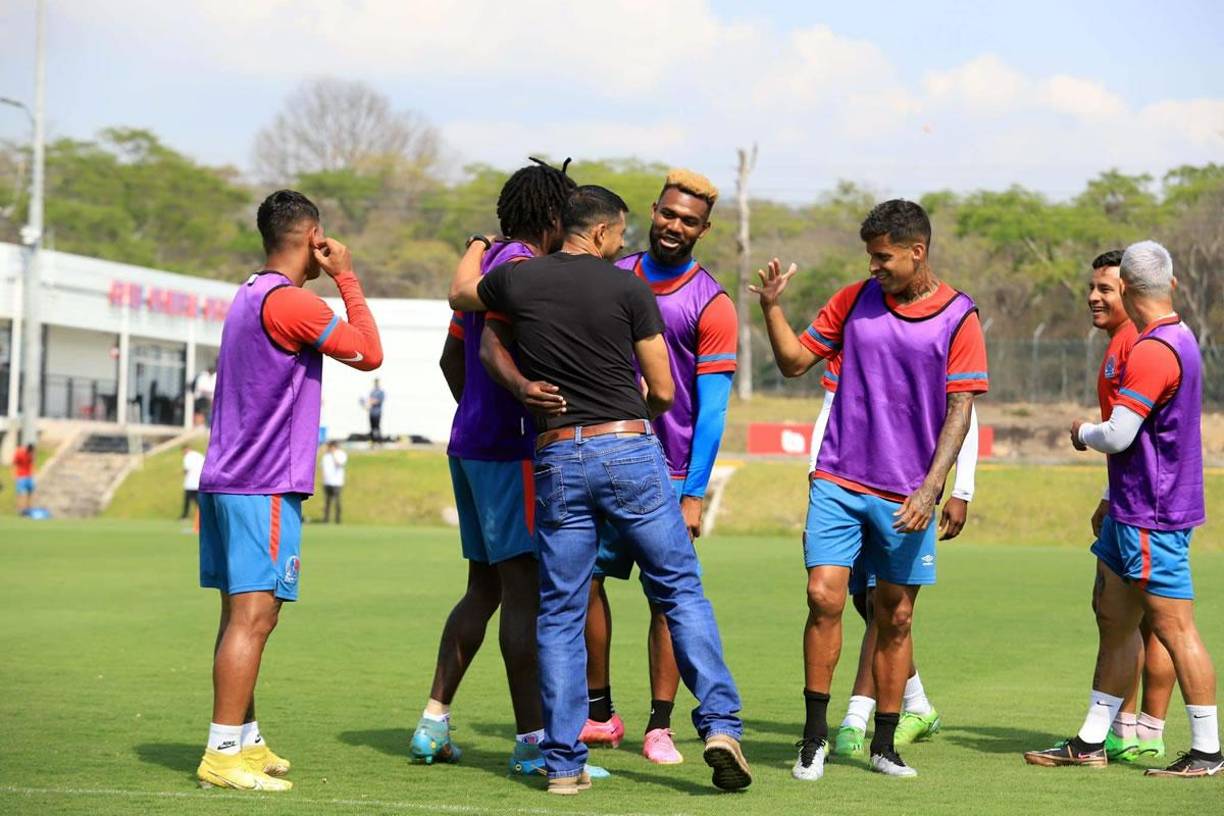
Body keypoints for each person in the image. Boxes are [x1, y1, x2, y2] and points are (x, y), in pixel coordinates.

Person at [450, 185, 752, 794]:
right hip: (629, 449)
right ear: (602, 232)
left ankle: (563, 764)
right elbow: (664, 391)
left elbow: (469, 312)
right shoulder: (628, 286)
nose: (623, 244)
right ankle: (719, 725)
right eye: (619, 235)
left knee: (560, 612)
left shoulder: (519, 281)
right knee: (679, 593)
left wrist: (480, 245)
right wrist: (624, 416)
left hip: (557, 453)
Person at [753, 199, 987, 779]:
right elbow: (792, 362)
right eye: (870, 256)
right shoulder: (853, 299)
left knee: (896, 615)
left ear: (917, 250)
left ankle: (884, 744)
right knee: (824, 596)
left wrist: (934, 490)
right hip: (838, 476)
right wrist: (772, 308)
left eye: (883, 256)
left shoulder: (959, 316)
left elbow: (961, 411)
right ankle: (813, 738)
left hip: (906, 493)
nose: (874, 266)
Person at [195, 190, 382, 791]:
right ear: (312, 237)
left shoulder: (248, 294)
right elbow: (369, 353)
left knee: (239, 618)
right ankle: (222, 752)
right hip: (264, 481)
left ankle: (244, 741)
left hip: (229, 477)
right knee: (254, 618)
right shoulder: (294, 303)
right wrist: (347, 277)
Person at [1025, 241, 1222, 777]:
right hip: (1130, 510)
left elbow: (1118, 434)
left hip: (1152, 515)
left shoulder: (1155, 351)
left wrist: (1079, 431)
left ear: (1130, 292)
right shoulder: (1175, 337)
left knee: (1175, 628)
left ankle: (1207, 750)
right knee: (1115, 621)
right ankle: (1091, 740)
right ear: (1173, 285)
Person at [413, 158, 574, 776]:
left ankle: (433, 723)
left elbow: (452, 360)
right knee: (521, 593)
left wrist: (477, 410)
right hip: (511, 452)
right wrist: (512, 410)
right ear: (555, 218)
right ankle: (533, 742)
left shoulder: (484, 267)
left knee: (482, 587)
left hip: (470, 444)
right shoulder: (526, 272)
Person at [571, 169, 737, 766]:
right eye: (668, 214)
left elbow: (713, 411)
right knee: (584, 581)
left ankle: (660, 727)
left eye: (689, 220)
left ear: (704, 228)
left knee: (668, 598)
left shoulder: (711, 303)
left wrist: (694, 493)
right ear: (653, 210)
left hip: (665, 473)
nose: (674, 226)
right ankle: (598, 712)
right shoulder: (611, 275)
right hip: (601, 455)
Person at [815, 354, 980, 757]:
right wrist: (814, 476)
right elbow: (828, 411)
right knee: (860, 600)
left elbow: (965, 415)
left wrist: (962, 489)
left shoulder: (932, 338)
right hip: (850, 486)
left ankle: (857, 715)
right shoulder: (853, 340)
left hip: (905, 494)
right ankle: (919, 704)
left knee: (884, 605)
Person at [1084, 250, 1177, 763]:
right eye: (1093, 287)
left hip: (1144, 507)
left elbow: (1127, 435)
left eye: (1107, 289)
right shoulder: (1121, 344)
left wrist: (1112, 495)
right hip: (1134, 499)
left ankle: (1134, 728)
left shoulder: (1134, 346)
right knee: (1141, 619)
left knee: (1134, 618)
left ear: (1132, 292)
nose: (1094, 297)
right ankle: (1141, 729)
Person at [320, 441, 347, 524]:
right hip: (327, 482)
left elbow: (339, 464)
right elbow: (322, 467)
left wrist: (334, 455)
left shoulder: (341, 454)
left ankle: (338, 519)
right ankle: (326, 519)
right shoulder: (325, 456)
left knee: (337, 501)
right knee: (327, 501)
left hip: (337, 482)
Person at [181, 444, 205, 521]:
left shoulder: (187, 457)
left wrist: (183, 473)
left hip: (190, 483)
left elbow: (186, 469)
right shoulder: (199, 455)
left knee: (187, 500)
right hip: (199, 482)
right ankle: (201, 516)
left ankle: (185, 516)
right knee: (197, 501)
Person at [12, 442, 35, 516]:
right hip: (21, 476)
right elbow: (14, 463)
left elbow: (32, 464)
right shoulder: (20, 453)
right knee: (21, 494)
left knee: (30, 492)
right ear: (27, 449)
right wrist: (13, 475)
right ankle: (21, 510)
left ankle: (29, 510)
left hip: (29, 476)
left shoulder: (31, 454)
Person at [365, 379, 385, 444]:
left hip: (377, 412)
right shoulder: (372, 392)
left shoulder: (381, 392)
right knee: (372, 427)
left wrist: (372, 401)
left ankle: (379, 441)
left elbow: (378, 401)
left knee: (377, 427)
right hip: (371, 412)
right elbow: (369, 400)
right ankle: (373, 441)